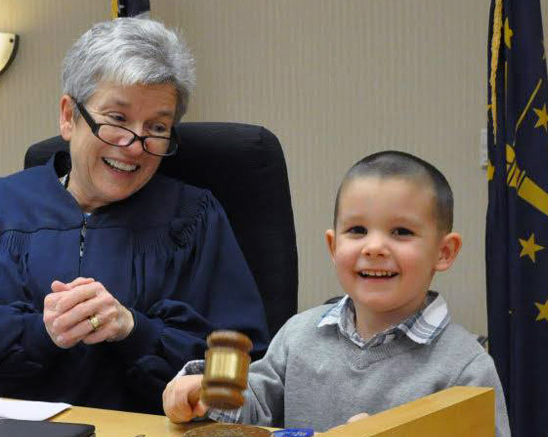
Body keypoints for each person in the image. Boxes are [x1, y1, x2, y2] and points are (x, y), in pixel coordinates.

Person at [0, 18, 269, 414]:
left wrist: (134, 330)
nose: (133, 145)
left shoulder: (193, 220)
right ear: (69, 116)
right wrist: (37, 332)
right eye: (118, 119)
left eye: (157, 126)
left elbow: (244, 372)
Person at [163, 151, 510, 435]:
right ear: (333, 245)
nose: (374, 247)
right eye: (357, 230)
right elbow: (255, 403)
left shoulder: (467, 368)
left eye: (401, 232)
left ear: (444, 252)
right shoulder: (299, 334)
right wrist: (207, 392)